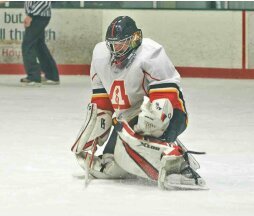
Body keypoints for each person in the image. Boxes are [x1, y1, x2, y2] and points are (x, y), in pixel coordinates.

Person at [71, 16, 207, 190]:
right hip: (126, 120)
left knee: (151, 119)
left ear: (135, 39)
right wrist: (96, 129)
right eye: (113, 45)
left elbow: (167, 97)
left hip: (167, 113)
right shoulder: (99, 57)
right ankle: (150, 153)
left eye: (122, 44)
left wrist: (150, 126)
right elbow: (102, 102)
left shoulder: (151, 53)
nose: (116, 50)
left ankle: (179, 165)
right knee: (111, 167)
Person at [20, 1, 59, 86]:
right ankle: (52, 76)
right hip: (39, 16)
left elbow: (44, 2)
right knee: (39, 45)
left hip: (38, 16)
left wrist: (31, 15)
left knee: (28, 45)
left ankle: (34, 77)